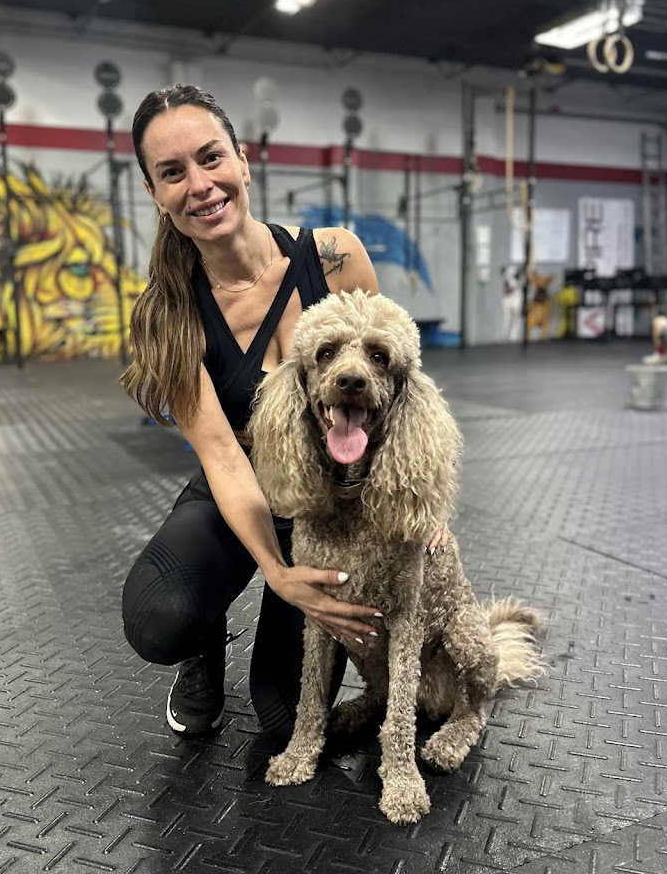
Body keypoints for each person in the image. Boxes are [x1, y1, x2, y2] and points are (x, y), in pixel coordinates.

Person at [119, 85, 446, 745]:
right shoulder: (166, 315)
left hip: (333, 501)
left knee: (284, 721)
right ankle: (203, 644)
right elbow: (220, 454)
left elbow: (394, 382)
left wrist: (422, 499)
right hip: (238, 484)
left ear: (242, 161)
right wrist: (277, 571)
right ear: (154, 193)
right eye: (173, 172)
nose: (200, 185)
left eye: (211, 158)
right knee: (162, 617)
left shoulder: (334, 257)